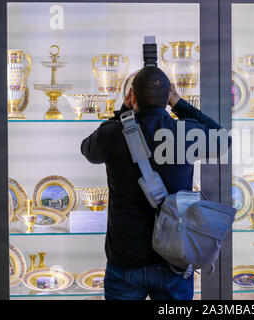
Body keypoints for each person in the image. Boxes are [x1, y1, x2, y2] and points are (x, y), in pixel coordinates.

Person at [81, 66, 230, 300]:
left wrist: (123, 111)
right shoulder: (186, 133)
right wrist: (179, 103)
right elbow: (224, 139)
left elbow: (87, 150)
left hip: (125, 259)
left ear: (132, 96)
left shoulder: (112, 134)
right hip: (174, 257)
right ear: (167, 99)